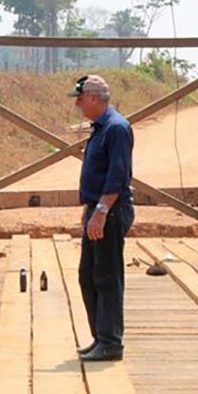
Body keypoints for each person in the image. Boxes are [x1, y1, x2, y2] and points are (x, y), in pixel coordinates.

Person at [68, 75, 135, 362]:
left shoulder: (117, 128)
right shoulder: (101, 128)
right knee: (88, 275)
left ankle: (110, 342)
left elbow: (118, 176)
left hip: (108, 210)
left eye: (80, 98)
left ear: (94, 98)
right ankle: (100, 338)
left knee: (107, 276)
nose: (78, 104)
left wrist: (101, 212)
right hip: (96, 210)